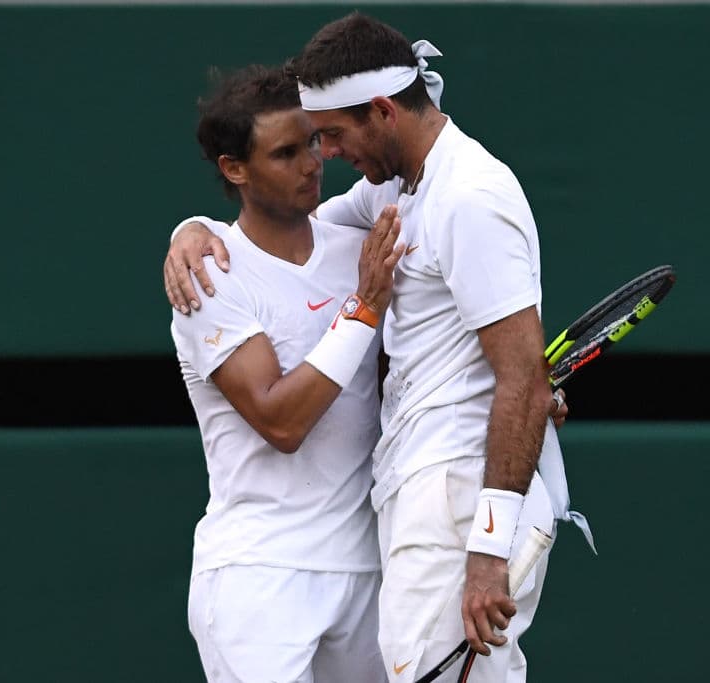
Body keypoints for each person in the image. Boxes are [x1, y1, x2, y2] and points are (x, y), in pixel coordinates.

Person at [166, 16, 586, 680]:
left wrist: (487, 545)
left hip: (444, 509)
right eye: (300, 145)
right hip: (358, 529)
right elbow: (282, 254)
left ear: (384, 112)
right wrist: (190, 229)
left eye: (327, 135)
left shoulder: (465, 196)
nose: (321, 157)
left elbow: (520, 378)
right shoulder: (390, 197)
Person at [172, 63, 407, 683]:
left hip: (367, 570)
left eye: (311, 142)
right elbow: (281, 420)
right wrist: (362, 310)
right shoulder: (210, 277)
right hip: (259, 578)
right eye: (284, 152)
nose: (311, 163)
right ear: (234, 169)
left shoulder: (351, 237)